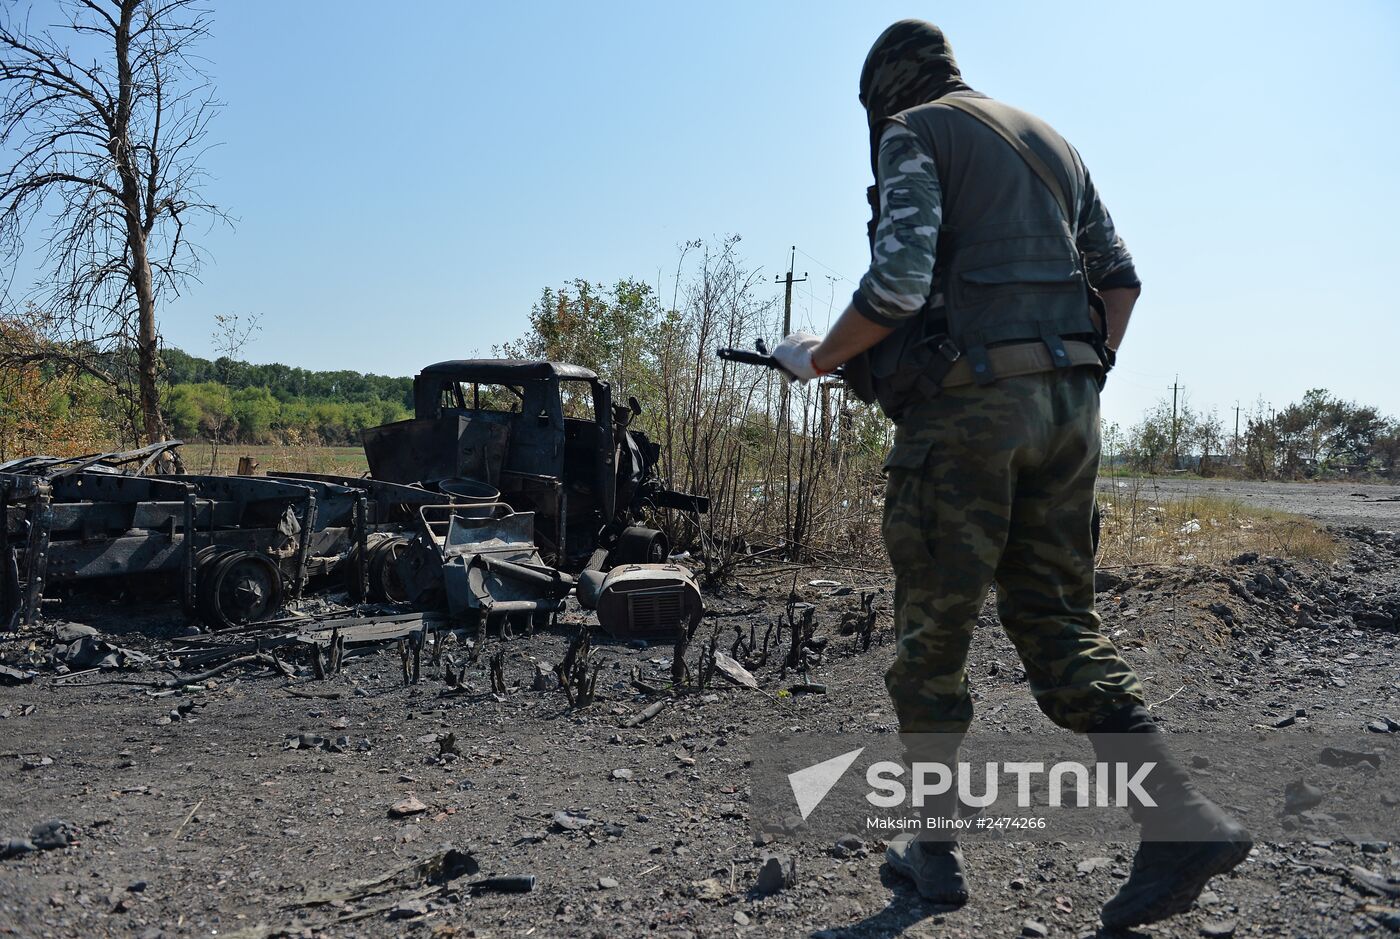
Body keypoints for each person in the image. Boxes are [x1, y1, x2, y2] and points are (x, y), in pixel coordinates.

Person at [770, 19, 1251, 930]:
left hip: (967, 420)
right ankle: (1178, 817)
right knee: (1060, 620)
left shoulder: (917, 130)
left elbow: (901, 282)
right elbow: (1121, 281)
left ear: (885, 94)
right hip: (1070, 414)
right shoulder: (1052, 142)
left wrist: (820, 356)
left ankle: (936, 853)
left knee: (932, 636)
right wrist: (1072, 368)